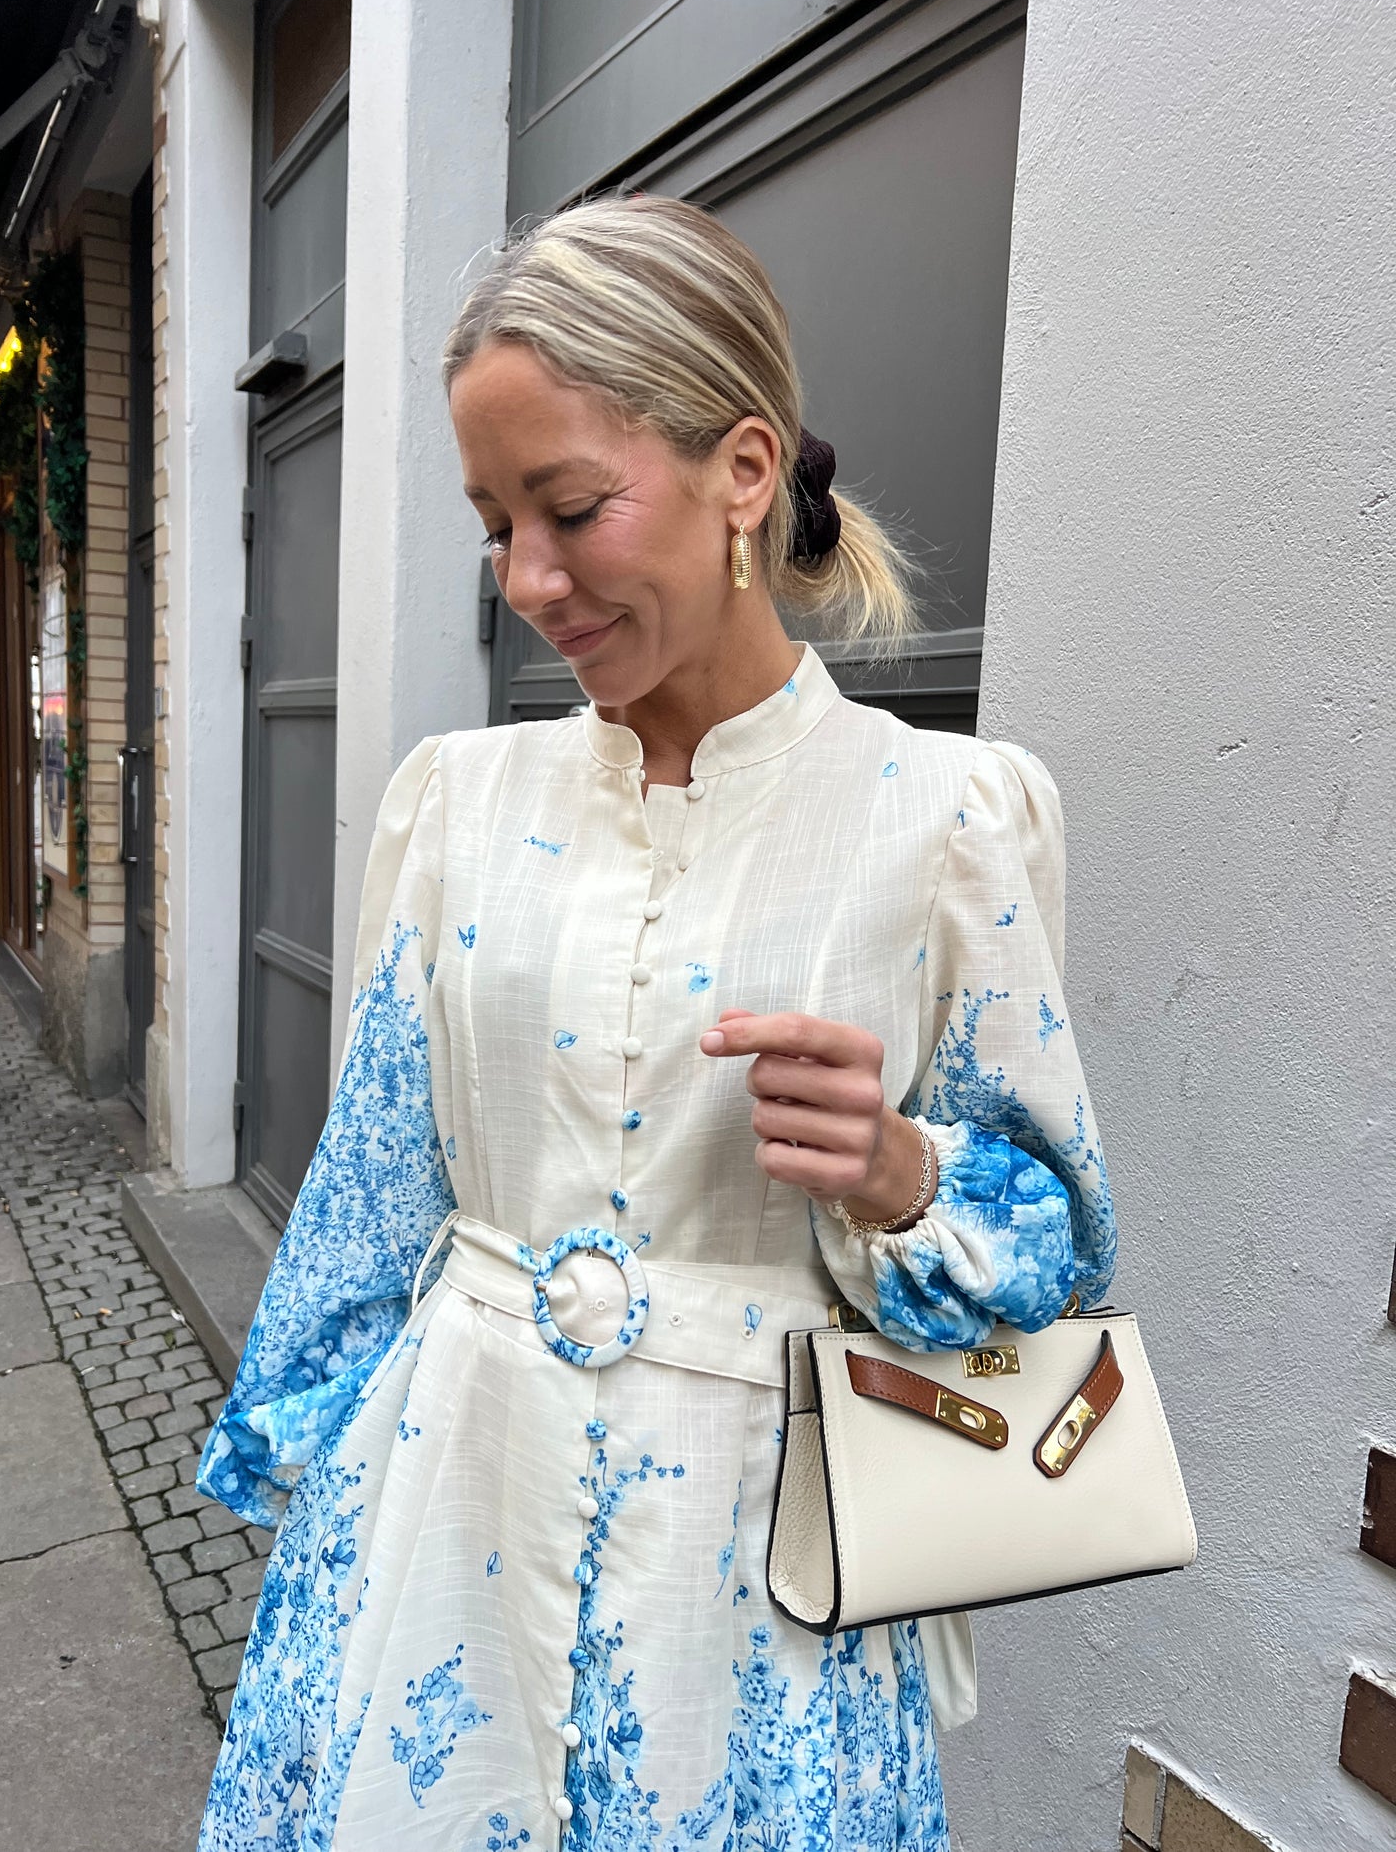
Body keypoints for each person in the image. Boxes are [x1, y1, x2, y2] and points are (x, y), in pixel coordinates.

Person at [194, 193, 1114, 1852]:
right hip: (444, 1530)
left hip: (763, 1589)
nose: (527, 579)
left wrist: (903, 1173)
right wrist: (315, 1480)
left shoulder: (947, 816)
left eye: (570, 509)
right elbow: (376, 1178)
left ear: (743, 471)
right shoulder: (456, 805)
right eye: (495, 522)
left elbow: (1055, 1258)